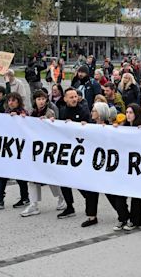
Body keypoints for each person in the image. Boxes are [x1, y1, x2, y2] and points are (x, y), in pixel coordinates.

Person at [20, 90, 65, 217]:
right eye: (38, 99)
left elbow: (54, 127)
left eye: (43, 99)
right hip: (34, 149)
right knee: (32, 178)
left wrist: (48, 122)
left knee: (50, 177)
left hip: (46, 149)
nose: (40, 101)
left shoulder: (50, 112)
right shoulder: (32, 112)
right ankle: (33, 204)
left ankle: (61, 198)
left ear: (46, 100)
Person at [0, 92, 29, 209]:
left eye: (13, 100)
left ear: (18, 102)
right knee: (2, 173)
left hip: (18, 149)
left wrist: (19, 117)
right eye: (9, 100)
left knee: (19, 176)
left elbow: (28, 126)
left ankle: (25, 198)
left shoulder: (23, 113)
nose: (10, 103)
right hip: (6, 149)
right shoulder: (6, 113)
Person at [55, 88, 91, 219]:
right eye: (71, 97)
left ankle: (90, 199)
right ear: (65, 99)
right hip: (67, 149)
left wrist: (79, 125)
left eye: (76, 96)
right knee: (64, 180)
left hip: (80, 150)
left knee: (78, 180)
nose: (74, 99)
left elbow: (90, 128)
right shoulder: (63, 110)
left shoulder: (83, 110)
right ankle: (69, 207)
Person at [108, 104, 141, 231]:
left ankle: (134, 221)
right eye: (127, 112)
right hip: (123, 166)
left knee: (135, 196)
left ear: (136, 114)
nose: (128, 114)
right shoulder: (123, 127)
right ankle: (123, 217)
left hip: (136, 167)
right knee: (119, 194)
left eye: (131, 112)